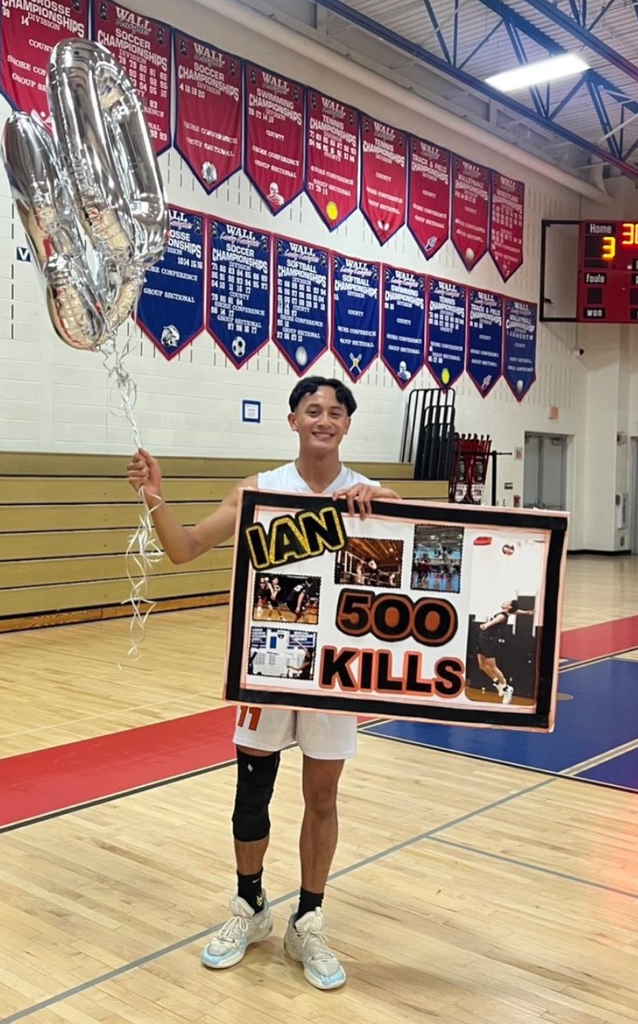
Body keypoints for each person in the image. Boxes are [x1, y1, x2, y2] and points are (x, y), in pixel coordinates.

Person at [127, 376, 400, 991]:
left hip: (336, 670)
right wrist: (154, 496)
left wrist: (387, 507)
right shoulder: (259, 491)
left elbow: (411, 566)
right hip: (269, 662)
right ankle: (250, 907)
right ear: (293, 421)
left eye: (334, 411)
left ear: (347, 425)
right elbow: (186, 548)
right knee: (253, 794)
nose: (323, 419)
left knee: (322, 798)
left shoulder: (370, 495)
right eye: (312, 410)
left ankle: (309, 919)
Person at [476, 599, 534, 704]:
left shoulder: (502, 616)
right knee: (482, 665)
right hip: (482, 639)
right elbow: (516, 611)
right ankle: (498, 683)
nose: (504, 602)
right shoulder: (509, 612)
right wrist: (526, 612)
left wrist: (486, 625)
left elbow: (495, 621)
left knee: (492, 666)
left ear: (509, 607)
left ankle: (506, 688)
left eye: (507, 602)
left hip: (489, 641)